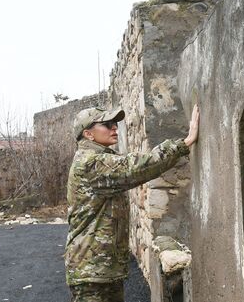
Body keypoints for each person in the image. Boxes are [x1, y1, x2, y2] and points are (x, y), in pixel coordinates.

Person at [65, 105, 200, 302]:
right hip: (91, 270)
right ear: (88, 134)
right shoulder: (90, 163)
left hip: (101, 268)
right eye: (107, 124)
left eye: (115, 124)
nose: (114, 128)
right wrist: (184, 143)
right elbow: (139, 166)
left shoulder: (99, 159)